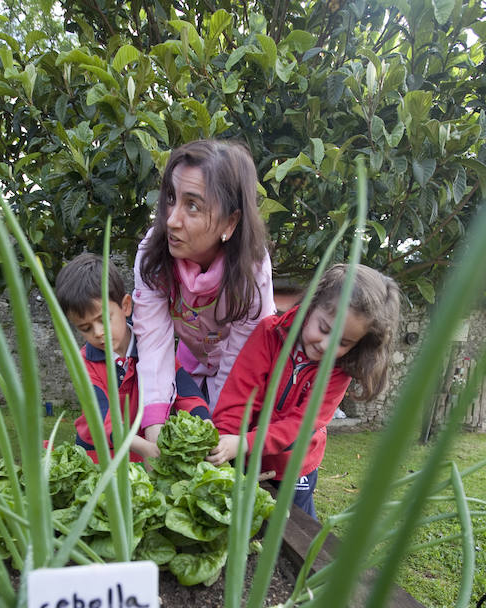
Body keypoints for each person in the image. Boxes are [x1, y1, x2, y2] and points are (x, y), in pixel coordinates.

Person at [207, 263, 400, 518]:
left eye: (343, 342)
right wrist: (223, 441)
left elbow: (300, 424)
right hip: (244, 457)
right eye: (324, 329)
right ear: (311, 306)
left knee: (294, 529)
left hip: (294, 469)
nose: (327, 346)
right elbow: (239, 396)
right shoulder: (268, 333)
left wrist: (244, 442)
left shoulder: (339, 370)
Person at [132, 139, 276, 444]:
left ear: (230, 221)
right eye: (171, 197)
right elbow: (153, 344)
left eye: (193, 205)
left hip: (248, 375)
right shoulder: (152, 257)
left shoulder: (253, 271)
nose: (171, 220)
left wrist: (220, 434)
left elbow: (241, 363)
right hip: (191, 364)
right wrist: (155, 427)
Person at [55, 252, 210, 464]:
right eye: (85, 328)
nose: (98, 332)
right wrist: (146, 447)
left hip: (141, 452)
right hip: (99, 455)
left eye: (104, 319)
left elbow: (186, 393)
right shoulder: (84, 364)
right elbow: (102, 421)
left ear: (126, 306)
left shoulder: (153, 349)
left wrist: (205, 425)